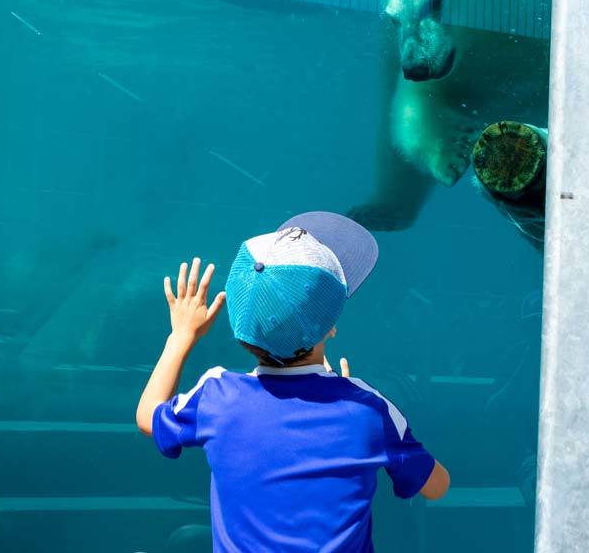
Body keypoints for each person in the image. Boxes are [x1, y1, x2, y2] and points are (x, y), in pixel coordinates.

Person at [135, 211, 450, 553]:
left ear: (240, 334)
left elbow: (148, 416)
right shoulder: (369, 410)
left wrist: (181, 336)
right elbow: (436, 486)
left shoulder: (215, 395)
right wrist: (351, 402)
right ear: (330, 327)